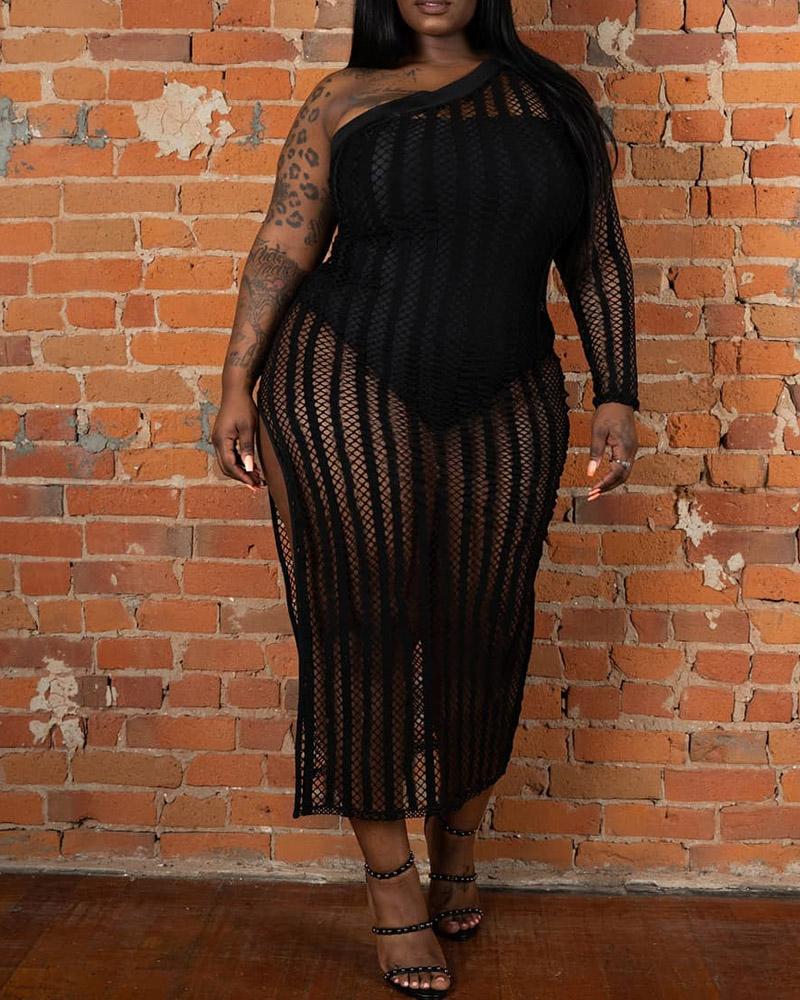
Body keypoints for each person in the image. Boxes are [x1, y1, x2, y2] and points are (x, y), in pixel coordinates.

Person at [211, 0, 640, 995]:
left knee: (485, 621)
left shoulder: (552, 102)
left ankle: (458, 841)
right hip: (343, 373)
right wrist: (236, 381)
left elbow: (596, 255)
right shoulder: (343, 99)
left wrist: (617, 390)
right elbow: (284, 242)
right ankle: (390, 885)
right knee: (363, 624)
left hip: (510, 387)